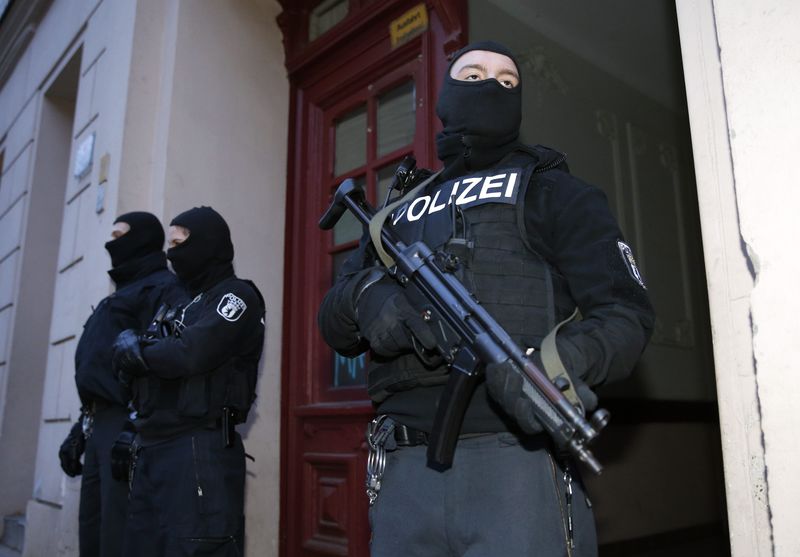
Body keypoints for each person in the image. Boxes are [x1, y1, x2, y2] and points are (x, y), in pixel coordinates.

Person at [317, 41, 655, 556]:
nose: (490, 85)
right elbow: (333, 317)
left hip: (516, 465)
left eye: (506, 81)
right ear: (446, 94)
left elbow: (626, 315)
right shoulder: (397, 210)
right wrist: (370, 299)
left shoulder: (555, 191)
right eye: (472, 73)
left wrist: (551, 369)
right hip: (403, 469)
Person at [112, 206, 265, 557]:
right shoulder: (179, 305)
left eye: (180, 243)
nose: (172, 254)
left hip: (197, 450)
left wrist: (142, 352)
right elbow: (130, 365)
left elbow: (192, 352)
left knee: (194, 546)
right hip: (153, 448)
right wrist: (138, 352)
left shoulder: (237, 297)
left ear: (208, 245)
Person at [58, 212, 182, 557]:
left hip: (129, 425)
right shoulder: (123, 292)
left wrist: (135, 423)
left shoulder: (163, 288)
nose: (111, 242)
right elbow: (99, 366)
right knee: (93, 529)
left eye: (119, 234)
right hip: (99, 422)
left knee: (120, 531)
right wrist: (80, 429)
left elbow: (162, 361)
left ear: (141, 238)